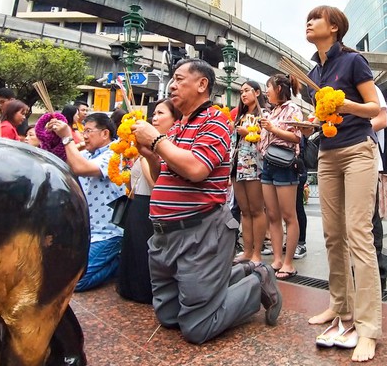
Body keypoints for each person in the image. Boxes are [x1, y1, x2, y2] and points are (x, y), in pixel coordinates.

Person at [130, 58, 282, 345]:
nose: (172, 86)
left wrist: (156, 141)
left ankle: (255, 282)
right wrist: (151, 154)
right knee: (168, 317)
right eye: (171, 80)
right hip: (164, 236)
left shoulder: (216, 120)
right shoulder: (176, 127)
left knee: (197, 327)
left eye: (178, 79)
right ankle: (235, 274)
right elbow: (163, 174)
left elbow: (197, 169)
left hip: (199, 234)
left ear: (202, 84)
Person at [305, 5, 381, 363]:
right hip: (328, 152)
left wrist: (343, 103)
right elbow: (323, 117)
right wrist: (310, 122)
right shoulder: (313, 72)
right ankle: (339, 308)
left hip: (358, 151)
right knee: (333, 236)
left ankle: (367, 329)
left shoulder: (353, 61)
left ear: (334, 27)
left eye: (315, 19)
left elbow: (375, 109)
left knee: (358, 235)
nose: (309, 23)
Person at [49, 112, 125, 291]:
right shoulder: (89, 153)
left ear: (105, 133)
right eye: (84, 131)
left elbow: (81, 168)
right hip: (87, 231)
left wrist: (67, 138)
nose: (84, 136)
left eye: (89, 131)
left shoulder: (116, 154)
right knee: (60, 271)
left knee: (76, 282)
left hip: (108, 232)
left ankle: (120, 261)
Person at [117, 98, 181, 304]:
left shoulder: (172, 147)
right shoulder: (144, 145)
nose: (155, 118)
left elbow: (156, 182)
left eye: (161, 113)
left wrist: (147, 158)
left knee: (147, 252)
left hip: (152, 204)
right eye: (154, 114)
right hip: (138, 202)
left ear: (174, 118)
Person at [259, 73, 303, 280]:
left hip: (285, 164)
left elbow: (296, 137)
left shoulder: (293, 109)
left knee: (288, 215)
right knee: (272, 215)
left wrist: (273, 129)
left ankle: (288, 263)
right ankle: (277, 259)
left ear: (278, 88)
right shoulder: (271, 111)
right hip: (268, 163)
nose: (266, 91)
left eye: (268, 87)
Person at [232, 80, 268, 265]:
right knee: (244, 211)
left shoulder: (264, 113)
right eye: (241, 92)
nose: (243, 94)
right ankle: (247, 251)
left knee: (256, 210)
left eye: (246, 90)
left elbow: (268, 138)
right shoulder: (240, 115)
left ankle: (257, 253)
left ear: (257, 92)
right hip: (237, 165)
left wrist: (248, 132)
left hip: (254, 165)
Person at [370, 87, 387, 290]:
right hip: (341, 161)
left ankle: (378, 275)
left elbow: (382, 120)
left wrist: (352, 130)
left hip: (367, 161)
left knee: (369, 220)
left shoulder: (370, 86)